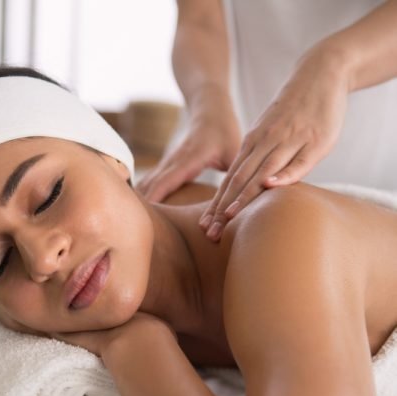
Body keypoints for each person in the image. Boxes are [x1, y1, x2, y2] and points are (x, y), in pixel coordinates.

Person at [0, 66, 397, 396]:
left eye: (49, 196)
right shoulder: (41, 283)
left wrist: (137, 347)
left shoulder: (281, 232)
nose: (43, 257)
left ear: (114, 159)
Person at [137, 0, 397, 243]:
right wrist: (208, 103)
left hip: (375, 160)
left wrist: (335, 65)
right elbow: (199, 18)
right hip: (218, 151)